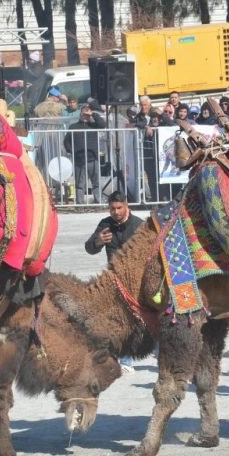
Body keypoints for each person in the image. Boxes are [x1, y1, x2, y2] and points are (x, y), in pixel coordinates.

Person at [84, 191, 144, 375]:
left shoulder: (139, 226)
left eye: (119, 208)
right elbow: (89, 248)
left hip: (136, 280)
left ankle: (131, 358)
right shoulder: (105, 225)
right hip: (113, 280)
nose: (116, 212)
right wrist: (98, 241)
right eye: (112, 208)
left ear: (127, 206)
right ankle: (120, 358)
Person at [63, 104, 106, 204]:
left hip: (93, 158)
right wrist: (72, 151)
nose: (85, 116)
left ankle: (98, 202)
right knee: (80, 184)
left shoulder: (94, 125)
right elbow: (66, 141)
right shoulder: (73, 127)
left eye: (87, 114)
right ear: (80, 114)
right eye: (84, 114)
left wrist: (93, 114)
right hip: (80, 160)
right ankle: (80, 204)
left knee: (96, 183)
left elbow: (103, 125)